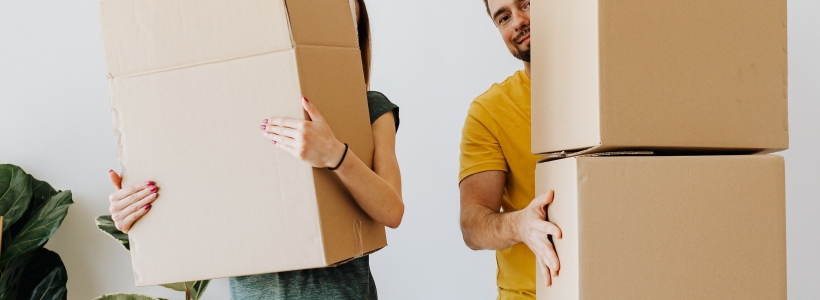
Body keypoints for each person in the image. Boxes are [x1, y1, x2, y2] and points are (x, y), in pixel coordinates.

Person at [105, 0, 402, 299]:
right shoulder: (227, 110)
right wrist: (135, 212)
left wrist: (334, 155)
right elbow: (195, 199)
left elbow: (392, 211)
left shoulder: (371, 108)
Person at [458, 0, 561, 299]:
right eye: (503, 17)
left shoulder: (619, 86)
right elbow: (472, 226)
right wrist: (521, 225)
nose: (518, 21)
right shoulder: (489, 111)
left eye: (526, 4)